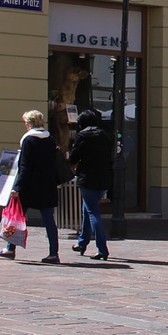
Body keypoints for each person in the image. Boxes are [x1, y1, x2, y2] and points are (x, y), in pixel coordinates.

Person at [0, 109, 64, 263]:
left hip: (30, 186)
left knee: (17, 217)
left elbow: (25, 166)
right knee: (49, 220)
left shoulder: (28, 140)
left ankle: (10, 248)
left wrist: (18, 187)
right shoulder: (49, 139)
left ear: (29, 123)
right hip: (47, 185)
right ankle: (54, 253)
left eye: (26, 122)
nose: (25, 124)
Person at [67, 107, 113, 260]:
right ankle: (82, 242)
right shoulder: (105, 136)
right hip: (104, 179)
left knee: (93, 212)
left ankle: (102, 249)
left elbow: (74, 157)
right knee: (87, 210)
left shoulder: (82, 136)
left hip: (87, 179)